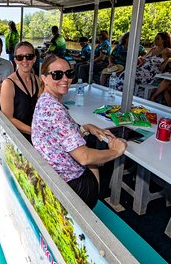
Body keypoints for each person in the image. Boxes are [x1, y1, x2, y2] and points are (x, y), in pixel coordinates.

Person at [32, 55, 127, 208]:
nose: (65, 79)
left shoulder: (44, 100)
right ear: (44, 78)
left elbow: (59, 138)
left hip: (54, 174)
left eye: (69, 74)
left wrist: (85, 128)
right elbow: (84, 157)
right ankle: (99, 201)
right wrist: (116, 151)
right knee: (101, 159)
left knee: (92, 147)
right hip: (73, 188)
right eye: (57, 75)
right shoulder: (55, 111)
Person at [0, 41, 41, 142]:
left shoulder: (37, 80)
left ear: (34, 59)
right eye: (20, 57)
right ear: (15, 60)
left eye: (29, 56)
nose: (25, 60)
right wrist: (35, 132)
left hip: (37, 134)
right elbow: (8, 118)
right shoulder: (8, 84)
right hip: (19, 137)